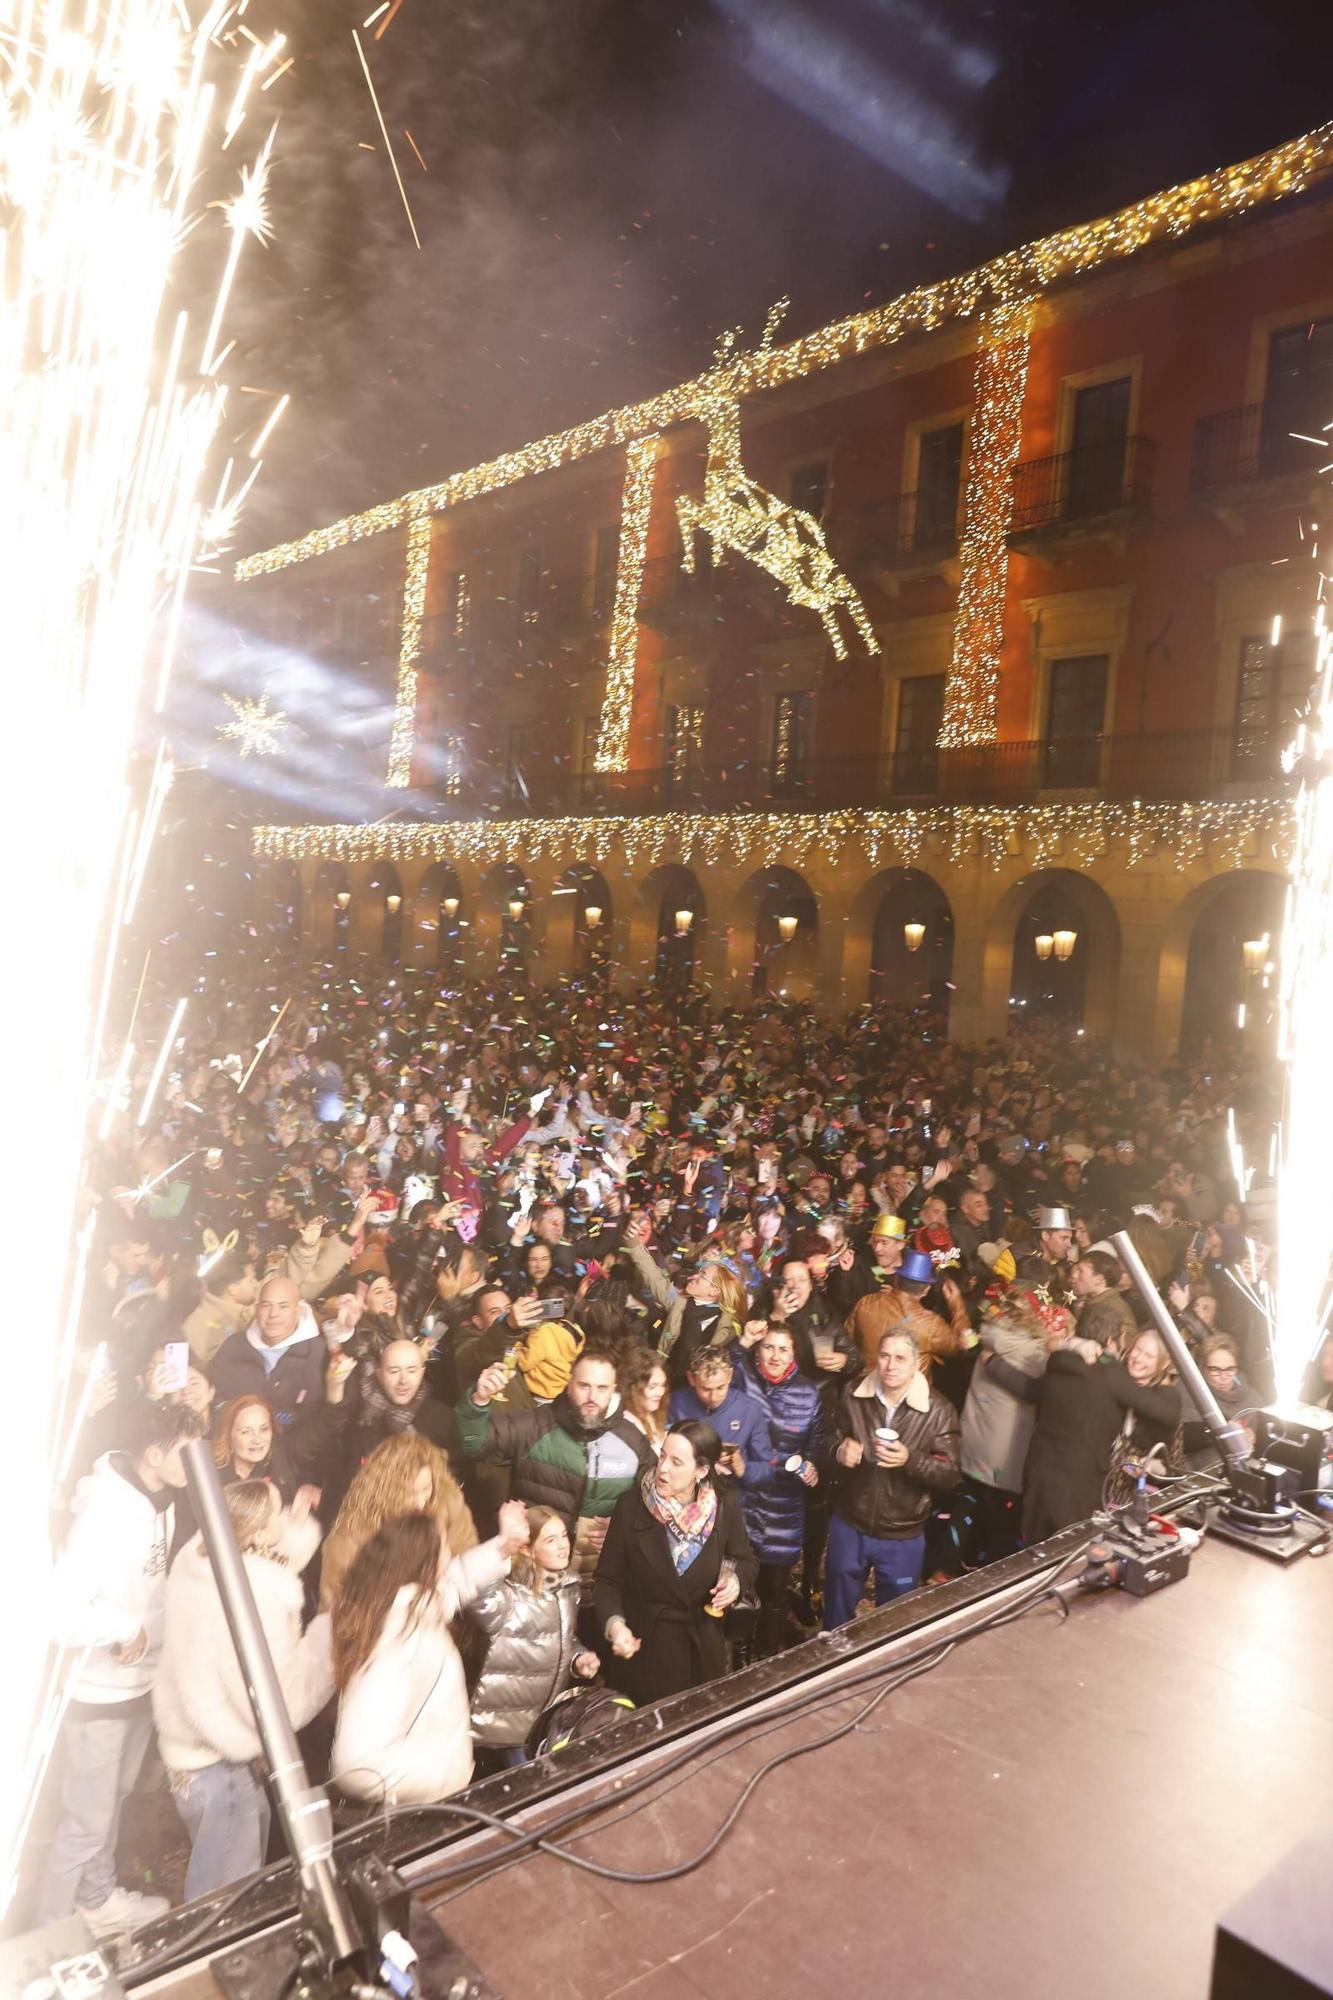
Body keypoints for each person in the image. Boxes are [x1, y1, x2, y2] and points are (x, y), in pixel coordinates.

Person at [37, 1401, 207, 1936]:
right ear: (154, 1456)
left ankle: (96, 1901)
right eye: (188, 1451)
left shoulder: (162, 1495)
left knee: (109, 1806)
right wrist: (121, 1628)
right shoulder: (105, 1513)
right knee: (82, 1825)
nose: (199, 1460)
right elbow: (57, 1612)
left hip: (136, 1685)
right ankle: (50, 1941)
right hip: (98, 1694)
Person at [153, 1483, 334, 1898]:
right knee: (224, 1901)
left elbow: (268, 1559)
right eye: (277, 1515)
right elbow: (283, 1703)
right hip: (221, 1772)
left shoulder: (198, 1556)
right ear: (256, 1534)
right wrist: (328, 1638)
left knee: (218, 1874)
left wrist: (295, 1520)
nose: (284, 1516)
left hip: (187, 1760)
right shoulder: (255, 1597)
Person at [330, 1500, 529, 1805]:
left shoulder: (413, 1610)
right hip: (415, 1812)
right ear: (425, 1561)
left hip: (424, 1805)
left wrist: (502, 1547)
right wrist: (444, 1774)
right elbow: (356, 1766)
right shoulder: (403, 1640)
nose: (451, 1554)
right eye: (446, 1545)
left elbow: (455, 1581)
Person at [594, 1420, 757, 1703]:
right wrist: (616, 1626)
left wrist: (735, 1581)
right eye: (662, 1456)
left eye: (677, 1462)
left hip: (702, 1649)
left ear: (702, 1470)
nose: (663, 1468)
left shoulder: (724, 1505)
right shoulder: (631, 1506)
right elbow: (607, 1580)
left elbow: (746, 1560)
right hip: (644, 1648)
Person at [455, 1348, 651, 1581]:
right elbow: (474, 1445)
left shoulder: (633, 1440)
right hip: (533, 1576)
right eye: (584, 1386)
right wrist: (479, 1400)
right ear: (569, 1384)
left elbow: (657, 1498)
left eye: (601, 1388)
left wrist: (623, 1528)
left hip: (599, 1580)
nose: (592, 1396)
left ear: (613, 1390)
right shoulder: (535, 1425)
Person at [823, 1328, 961, 1628]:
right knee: (835, 1614)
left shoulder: (938, 1411)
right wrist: (838, 1450)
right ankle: (829, 1670)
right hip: (851, 1522)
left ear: (917, 1364)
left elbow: (950, 1475)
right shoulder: (853, 1393)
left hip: (903, 1532)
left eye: (901, 1358)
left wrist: (910, 1460)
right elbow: (826, 1439)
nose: (890, 1365)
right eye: (884, 1356)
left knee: (895, 1622)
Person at [1019, 1318, 1185, 1541]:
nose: (1138, 1358)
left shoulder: (1164, 1397)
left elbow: (1171, 1461)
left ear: (1163, 1364)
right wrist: (1075, 1344)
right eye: (1138, 1350)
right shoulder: (1110, 1373)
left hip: (1125, 1502)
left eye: (1149, 1355)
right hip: (1086, 1493)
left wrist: (1151, 1467)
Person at [467, 1507, 601, 1769]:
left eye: (563, 1536)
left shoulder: (567, 1589)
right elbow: (472, 1589)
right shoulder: (508, 1598)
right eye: (551, 1540)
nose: (564, 1546)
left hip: (540, 1721)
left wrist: (578, 1658)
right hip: (503, 1729)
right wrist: (503, 1546)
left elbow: (563, 1638)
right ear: (527, 1550)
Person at [959, 1288, 1071, 1567]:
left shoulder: (986, 1338)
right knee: (1001, 1517)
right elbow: (1038, 1392)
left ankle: (958, 1563)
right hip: (1007, 1449)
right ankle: (992, 1572)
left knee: (972, 1508)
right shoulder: (1037, 1353)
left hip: (976, 1442)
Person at [731, 1326, 822, 1656]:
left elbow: (815, 1445)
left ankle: (766, 1654)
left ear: (794, 1355)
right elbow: (715, 1368)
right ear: (758, 1352)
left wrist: (811, 1466)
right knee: (737, 1585)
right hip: (742, 1498)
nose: (775, 1355)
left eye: (783, 1349)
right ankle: (737, 1651)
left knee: (775, 1591)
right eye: (768, 1347)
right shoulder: (743, 1378)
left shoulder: (809, 1393)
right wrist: (742, 1341)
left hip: (784, 1503)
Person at [319, 1430, 478, 1612]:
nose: (420, 1502)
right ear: (387, 1491)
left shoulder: (446, 1503)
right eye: (409, 1493)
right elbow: (334, 1613)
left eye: (425, 1488)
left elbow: (469, 1564)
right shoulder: (351, 1538)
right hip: (377, 1632)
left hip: (440, 1619)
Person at [209, 1274, 327, 1428]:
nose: (273, 1314)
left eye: (283, 1306)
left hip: (298, 1447)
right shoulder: (233, 1347)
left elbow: (326, 1417)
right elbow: (216, 1400)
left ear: (298, 1311)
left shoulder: (317, 1352)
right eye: (266, 1305)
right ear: (257, 1309)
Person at [845, 1246, 973, 1376]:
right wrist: (957, 1305)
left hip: (864, 1383)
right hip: (906, 1393)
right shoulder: (931, 1324)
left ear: (896, 1279)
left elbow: (847, 1337)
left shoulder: (865, 1302)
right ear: (926, 1289)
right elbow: (962, 1346)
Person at [668, 1347, 770, 1488]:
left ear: (730, 1375)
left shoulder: (749, 1409)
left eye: (720, 1388)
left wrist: (743, 1468)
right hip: (684, 1496)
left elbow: (767, 1469)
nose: (713, 1397)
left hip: (729, 1500)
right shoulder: (675, 1404)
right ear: (691, 1379)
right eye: (705, 1389)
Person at [1070, 1250, 1136, 1351]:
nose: (1074, 1275)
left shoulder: (1113, 1308)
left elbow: (1126, 1345)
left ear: (1099, 1280)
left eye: (1080, 1271)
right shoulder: (1089, 1301)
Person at [1015, 1206, 1074, 1301]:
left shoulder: (1064, 1266)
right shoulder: (1015, 1255)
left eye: (1070, 1239)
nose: (1069, 1245)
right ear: (1045, 1236)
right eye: (1064, 1238)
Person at [621, 1345, 669, 1455]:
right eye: (652, 1387)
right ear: (633, 1388)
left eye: (662, 1385)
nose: (660, 1392)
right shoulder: (626, 1424)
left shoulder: (652, 1415)